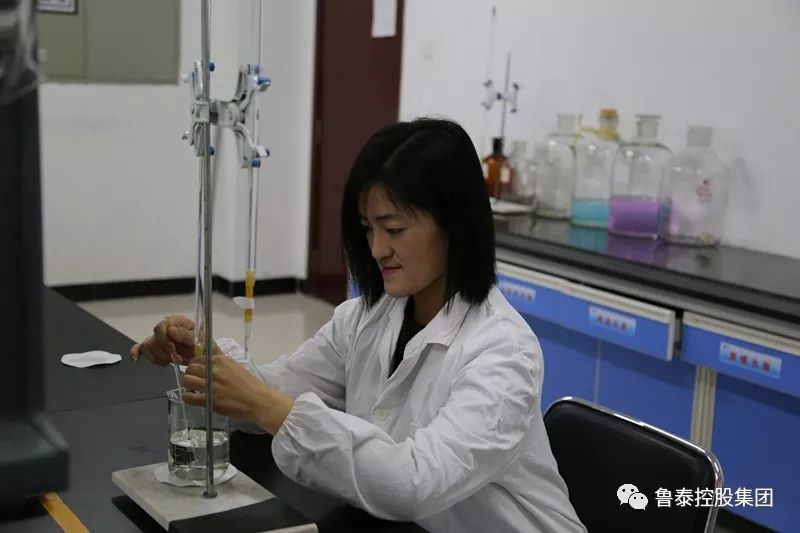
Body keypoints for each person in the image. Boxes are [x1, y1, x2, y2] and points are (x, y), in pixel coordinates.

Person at [131, 118, 586, 533]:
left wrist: (270, 407)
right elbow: (272, 392)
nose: (376, 249)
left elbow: (414, 482)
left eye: (394, 229)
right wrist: (206, 360)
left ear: (455, 225)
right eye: (368, 228)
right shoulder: (366, 318)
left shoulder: (502, 352)